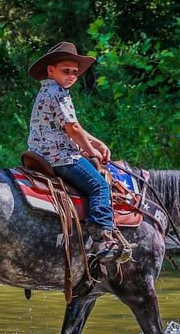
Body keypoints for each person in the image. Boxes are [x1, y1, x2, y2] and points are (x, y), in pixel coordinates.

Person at [27, 41, 133, 263]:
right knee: (100, 185)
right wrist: (92, 151)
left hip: (41, 152)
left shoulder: (48, 89)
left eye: (75, 72)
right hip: (60, 156)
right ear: (51, 70)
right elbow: (72, 128)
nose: (72, 76)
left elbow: (72, 125)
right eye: (66, 71)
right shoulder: (59, 93)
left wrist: (97, 142)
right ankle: (102, 237)